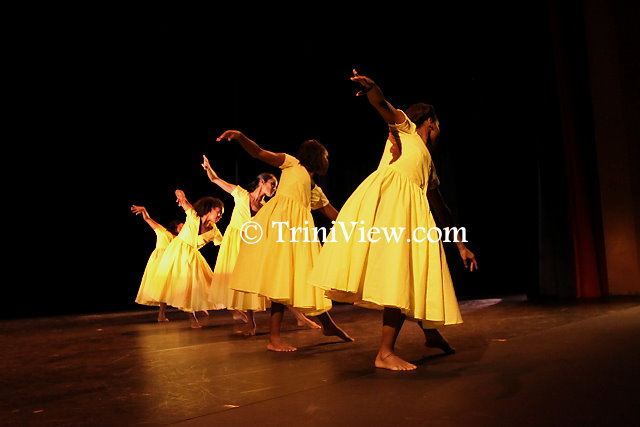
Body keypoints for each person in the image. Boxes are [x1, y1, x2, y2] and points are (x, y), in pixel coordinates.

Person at [308, 70, 478, 370]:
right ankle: (385, 352)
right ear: (430, 122)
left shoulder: (428, 164)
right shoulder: (406, 130)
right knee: (399, 275)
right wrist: (373, 88)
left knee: (411, 273)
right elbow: (382, 105)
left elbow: (443, 210)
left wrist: (461, 246)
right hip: (389, 207)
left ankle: (430, 333)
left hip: (411, 214)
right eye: (438, 126)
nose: (439, 131)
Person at [215, 130, 352, 351]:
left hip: (299, 232)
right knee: (281, 279)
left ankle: (328, 325)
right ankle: (274, 338)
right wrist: (240, 137)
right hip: (280, 225)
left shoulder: (314, 189)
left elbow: (333, 213)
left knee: (306, 277)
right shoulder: (291, 163)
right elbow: (259, 152)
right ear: (318, 156)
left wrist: (358, 224)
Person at [201, 155, 321, 335]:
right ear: (262, 182)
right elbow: (215, 179)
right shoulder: (241, 194)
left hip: (253, 244)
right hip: (236, 243)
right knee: (245, 284)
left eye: (276, 186)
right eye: (272, 184)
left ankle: (300, 317)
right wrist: (209, 168)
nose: (274, 188)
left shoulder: (266, 206)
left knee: (274, 280)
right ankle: (251, 324)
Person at [147, 190, 224, 328]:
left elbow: (224, 245)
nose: (220, 216)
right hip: (176, 252)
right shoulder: (193, 215)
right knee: (167, 283)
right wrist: (180, 194)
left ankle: (194, 313)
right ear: (209, 209)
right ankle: (162, 314)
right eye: (218, 212)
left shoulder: (214, 231)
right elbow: (184, 200)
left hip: (192, 255)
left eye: (222, 214)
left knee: (193, 284)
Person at [131, 204, 183, 322]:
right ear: (176, 226)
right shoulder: (163, 231)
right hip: (159, 261)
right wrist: (144, 210)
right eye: (181, 225)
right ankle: (161, 315)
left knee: (176, 287)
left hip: (170, 262)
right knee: (163, 288)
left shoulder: (180, 240)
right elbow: (148, 219)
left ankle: (194, 308)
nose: (183, 227)